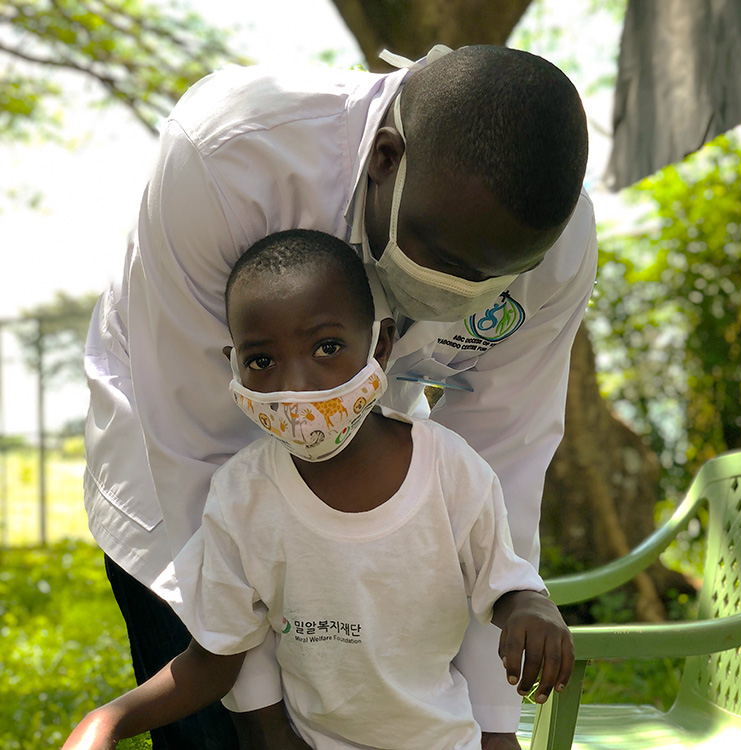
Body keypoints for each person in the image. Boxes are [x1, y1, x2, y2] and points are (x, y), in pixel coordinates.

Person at [83, 44, 595, 749]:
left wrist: (493, 724)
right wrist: (266, 718)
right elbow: (200, 466)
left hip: (376, 504)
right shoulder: (228, 158)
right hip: (181, 477)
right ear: (385, 158)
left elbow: (501, 477)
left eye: (492, 279)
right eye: (440, 258)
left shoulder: (555, 248)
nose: (460, 294)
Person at [66, 229, 574, 750]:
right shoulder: (240, 497)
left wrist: (531, 610)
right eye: (262, 361)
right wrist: (107, 721)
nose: (296, 385)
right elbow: (215, 660)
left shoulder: (451, 471)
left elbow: (507, 588)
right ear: (234, 363)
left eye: (326, 347)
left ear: (380, 344)